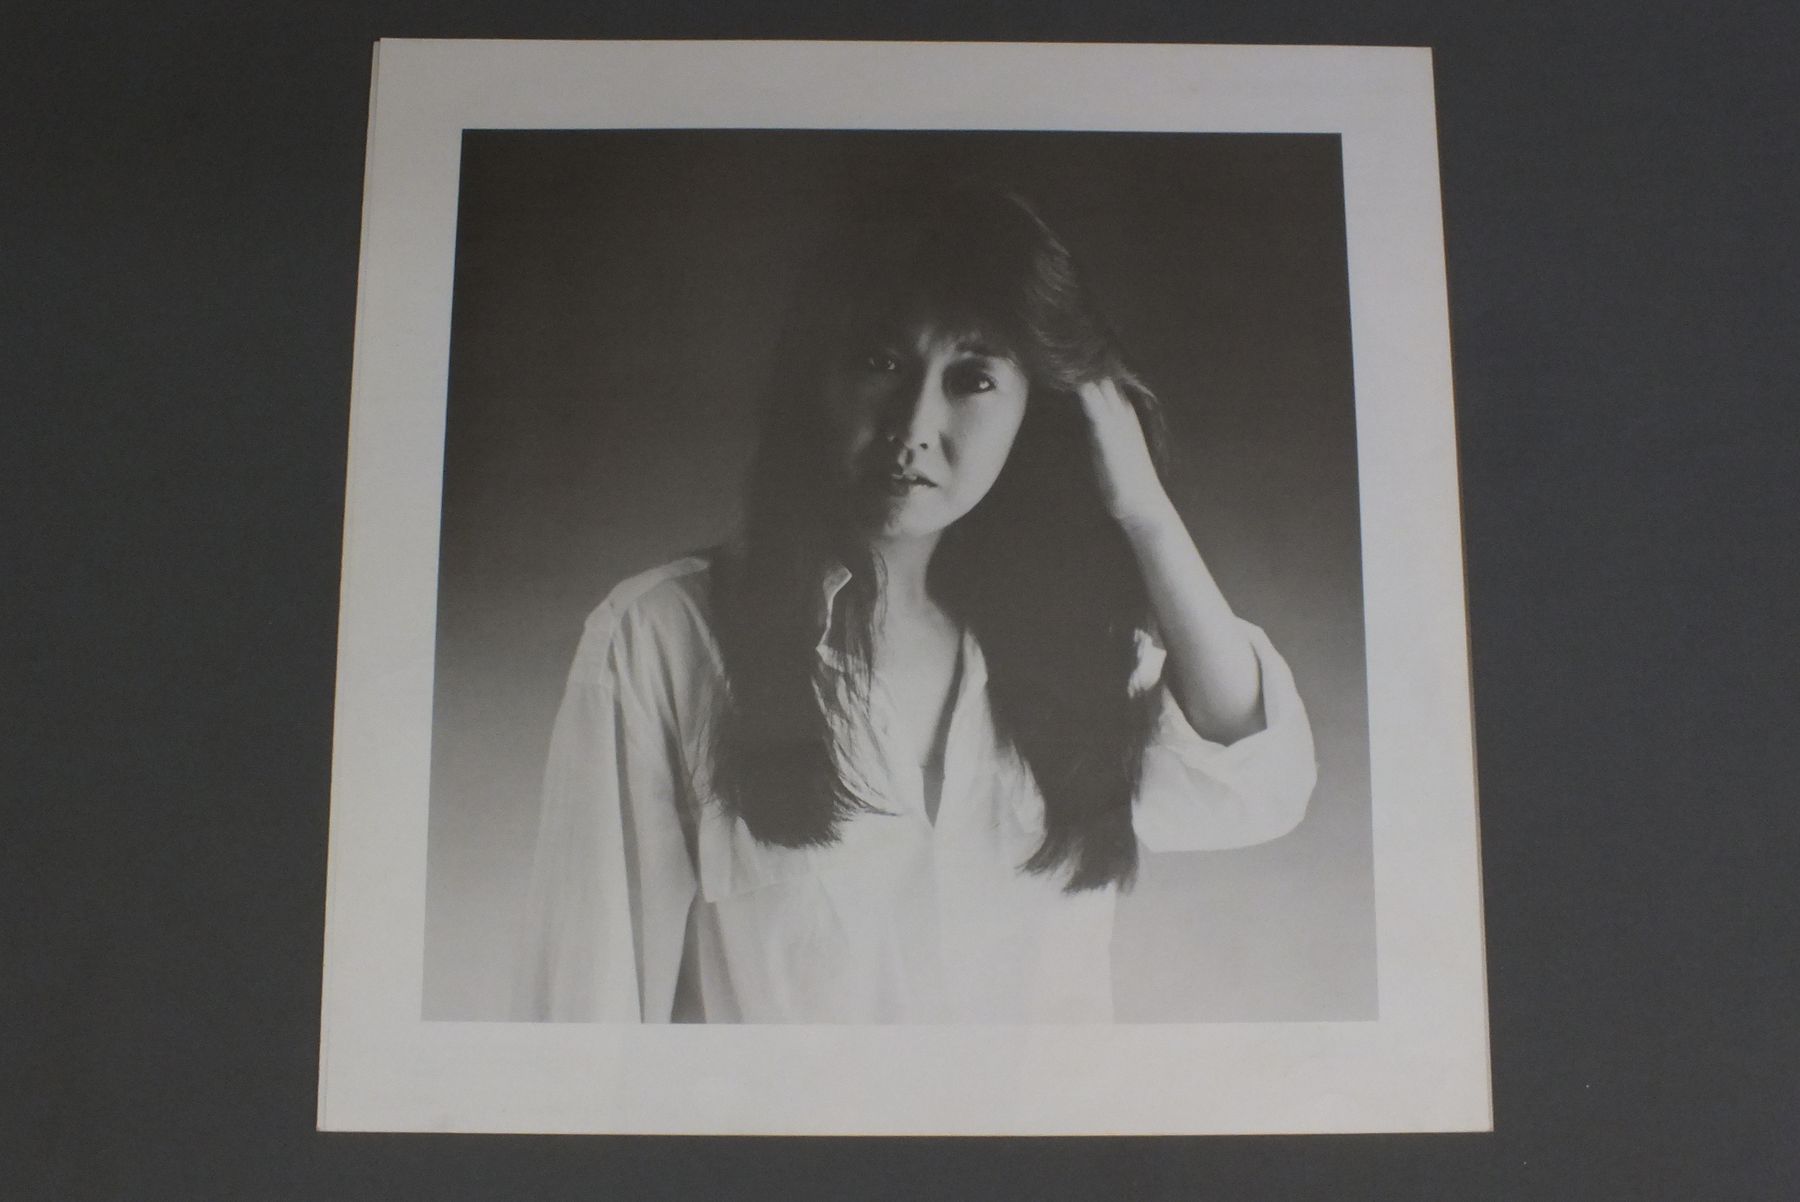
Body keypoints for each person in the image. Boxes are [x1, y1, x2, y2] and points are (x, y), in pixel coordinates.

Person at [515, 184, 1316, 1024]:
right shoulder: (661, 639)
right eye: (882, 363)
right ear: (816, 376)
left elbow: (1255, 785)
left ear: (1039, 408)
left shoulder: (1076, 646)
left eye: (972, 379)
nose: (913, 426)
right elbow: (585, 1019)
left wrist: (1144, 508)